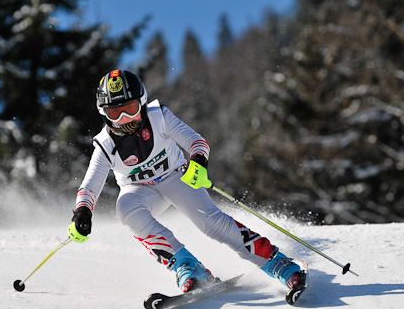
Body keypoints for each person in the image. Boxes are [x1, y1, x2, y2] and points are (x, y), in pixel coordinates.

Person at [67, 69, 303, 293]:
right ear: (104, 114)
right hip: (140, 190)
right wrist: (83, 212)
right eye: (115, 113)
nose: (124, 119)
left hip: (176, 177)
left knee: (210, 222)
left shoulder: (159, 117)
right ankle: (187, 266)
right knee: (125, 207)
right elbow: (90, 185)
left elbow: (197, 143)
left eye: (130, 108)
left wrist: (198, 163)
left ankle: (276, 262)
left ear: (142, 102)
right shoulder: (105, 143)